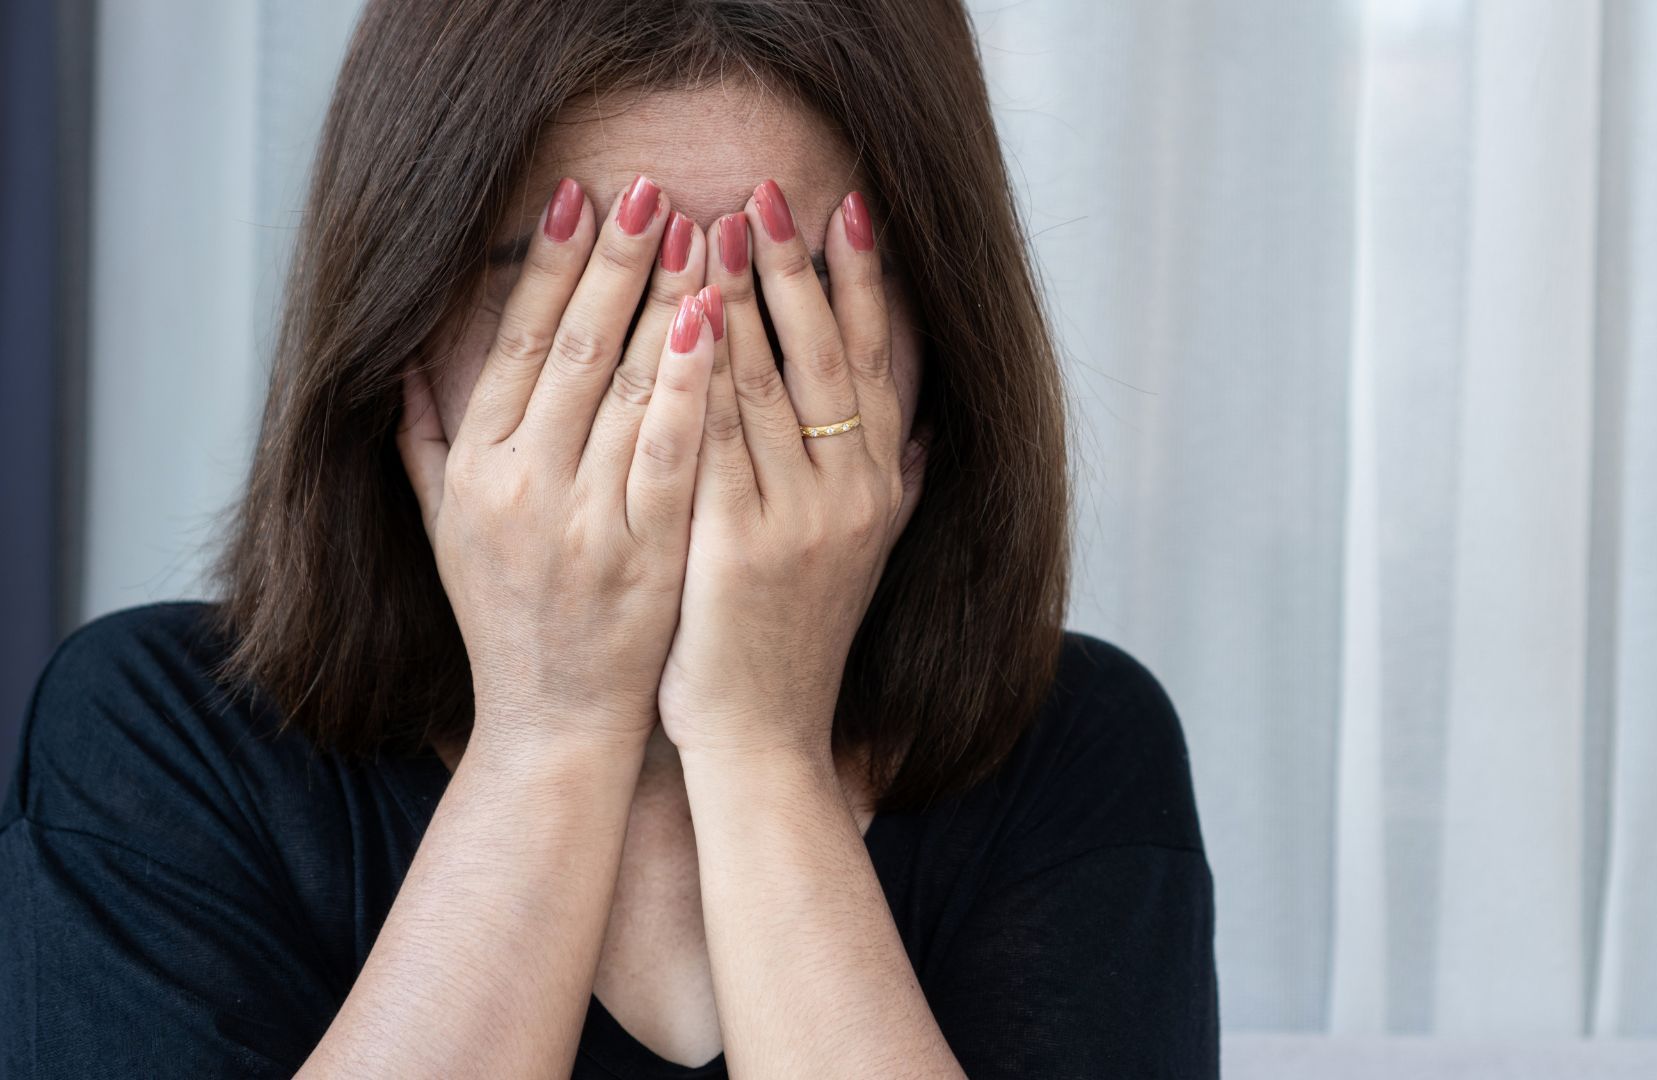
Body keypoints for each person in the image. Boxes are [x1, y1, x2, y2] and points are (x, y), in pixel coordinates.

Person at [0, 1, 1218, 1076]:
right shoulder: (154, 741)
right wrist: (551, 727)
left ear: (931, 343)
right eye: (589, 297)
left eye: (774, 297)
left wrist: (762, 752)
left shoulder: (1078, 752)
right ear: (405, 330)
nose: (676, 398)